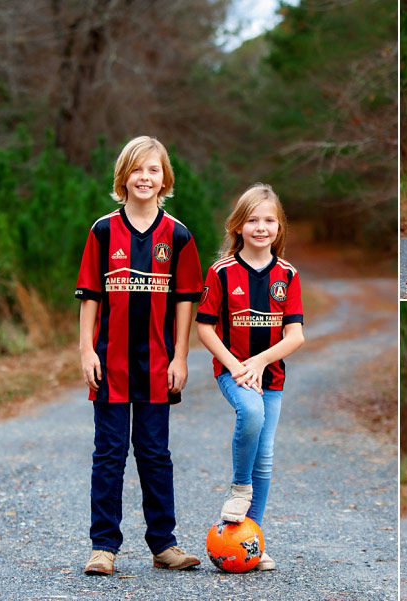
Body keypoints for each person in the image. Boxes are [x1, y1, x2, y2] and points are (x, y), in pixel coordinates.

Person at [76, 136, 204, 575]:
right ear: (123, 178)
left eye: (153, 170)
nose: (145, 178)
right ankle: (103, 547)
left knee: (154, 453)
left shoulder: (179, 236)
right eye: (137, 170)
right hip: (109, 365)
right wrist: (86, 348)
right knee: (108, 453)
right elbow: (90, 294)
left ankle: (163, 544)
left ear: (164, 178)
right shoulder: (103, 231)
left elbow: (187, 300)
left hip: (156, 366)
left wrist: (181, 357)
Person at [196, 183, 305, 572]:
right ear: (238, 226)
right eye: (252, 220)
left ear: (279, 227)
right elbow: (205, 328)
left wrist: (258, 362)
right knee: (252, 415)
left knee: (266, 455)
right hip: (233, 372)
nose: (261, 227)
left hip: (269, 374)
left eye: (269, 220)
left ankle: (250, 540)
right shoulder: (221, 272)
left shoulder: (287, 276)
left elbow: (296, 335)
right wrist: (236, 366)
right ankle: (239, 488)